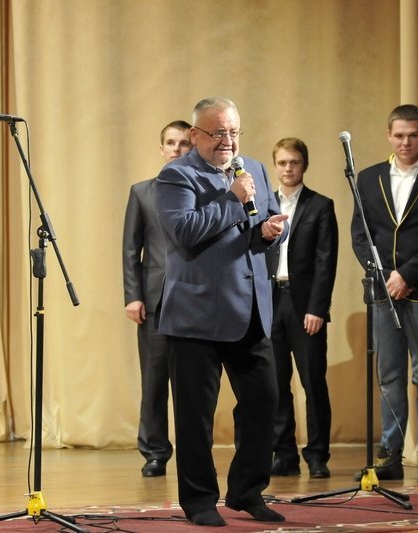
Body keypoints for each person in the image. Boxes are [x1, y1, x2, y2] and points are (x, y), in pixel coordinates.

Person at [155, 97, 289, 527]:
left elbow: (265, 224)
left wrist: (270, 231)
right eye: (218, 133)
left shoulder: (255, 169)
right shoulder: (176, 175)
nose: (228, 141)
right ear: (196, 136)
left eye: (233, 132)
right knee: (196, 415)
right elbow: (185, 231)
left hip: (250, 308)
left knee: (265, 401)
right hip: (196, 315)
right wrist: (233, 199)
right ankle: (199, 501)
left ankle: (247, 491)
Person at [350, 104, 418, 484]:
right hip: (383, 290)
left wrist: (407, 275)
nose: (405, 142)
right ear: (388, 135)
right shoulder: (368, 178)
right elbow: (361, 234)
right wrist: (384, 276)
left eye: (413, 135)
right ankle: (390, 454)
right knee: (389, 374)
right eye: (399, 135)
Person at [122, 120, 192, 477]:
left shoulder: (204, 190)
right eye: (171, 143)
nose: (177, 149)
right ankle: (154, 452)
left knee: (191, 384)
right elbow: (131, 248)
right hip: (154, 301)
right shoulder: (142, 192)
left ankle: (193, 453)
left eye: (183, 143)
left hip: (194, 300)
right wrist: (133, 296)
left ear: (192, 148)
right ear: (161, 148)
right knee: (153, 382)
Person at [265, 138, 338, 479]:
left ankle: (318, 455)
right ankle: (284, 455)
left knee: (313, 382)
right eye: (282, 162)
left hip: (305, 306)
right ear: (275, 166)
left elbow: (326, 261)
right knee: (276, 384)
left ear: (304, 165)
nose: (288, 168)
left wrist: (317, 308)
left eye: (294, 162)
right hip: (271, 303)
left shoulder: (320, 206)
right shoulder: (263, 205)